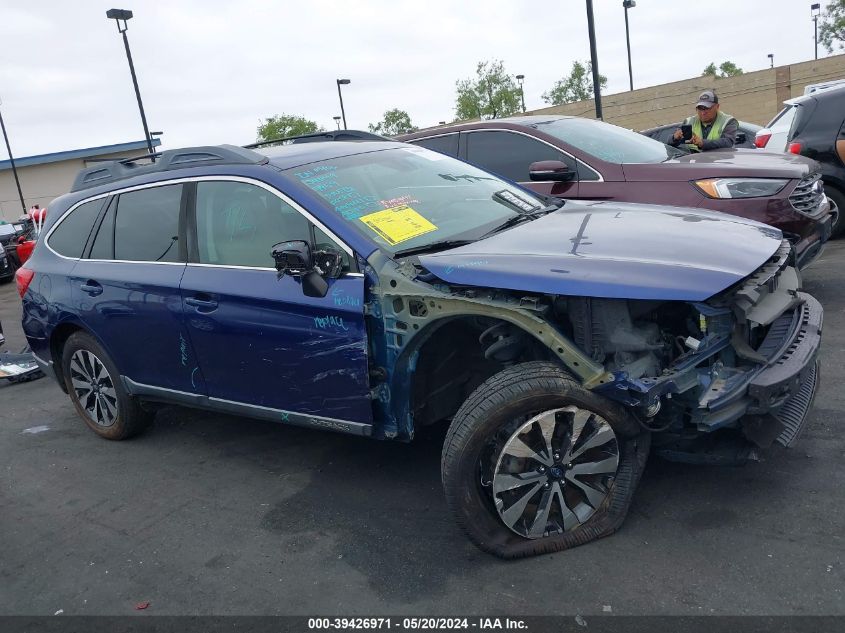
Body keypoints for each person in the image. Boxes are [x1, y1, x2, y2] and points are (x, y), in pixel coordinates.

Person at [670, 90, 737, 152]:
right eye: (700, 108)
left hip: (718, 161)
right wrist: (675, 138)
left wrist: (702, 143)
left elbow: (728, 142)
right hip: (695, 162)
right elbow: (670, 142)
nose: (703, 113)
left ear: (717, 107)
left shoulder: (728, 121)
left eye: (707, 108)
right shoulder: (689, 121)